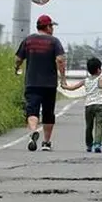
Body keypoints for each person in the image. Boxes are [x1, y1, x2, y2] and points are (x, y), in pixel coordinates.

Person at [15, 14, 66, 152]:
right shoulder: (54, 42)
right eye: (52, 26)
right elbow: (60, 60)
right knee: (48, 113)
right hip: (49, 84)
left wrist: (17, 68)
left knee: (32, 110)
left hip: (32, 83)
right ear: (48, 27)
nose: (53, 29)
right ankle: (46, 142)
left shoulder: (28, 40)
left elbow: (18, 58)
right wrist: (63, 79)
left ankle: (33, 132)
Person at [61, 57, 102, 152]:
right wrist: (100, 95)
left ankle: (89, 145)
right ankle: (97, 144)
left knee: (89, 125)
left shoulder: (85, 81)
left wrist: (64, 86)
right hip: (99, 104)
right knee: (99, 125)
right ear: (99, 69)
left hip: (88, 105)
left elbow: (73, 88)